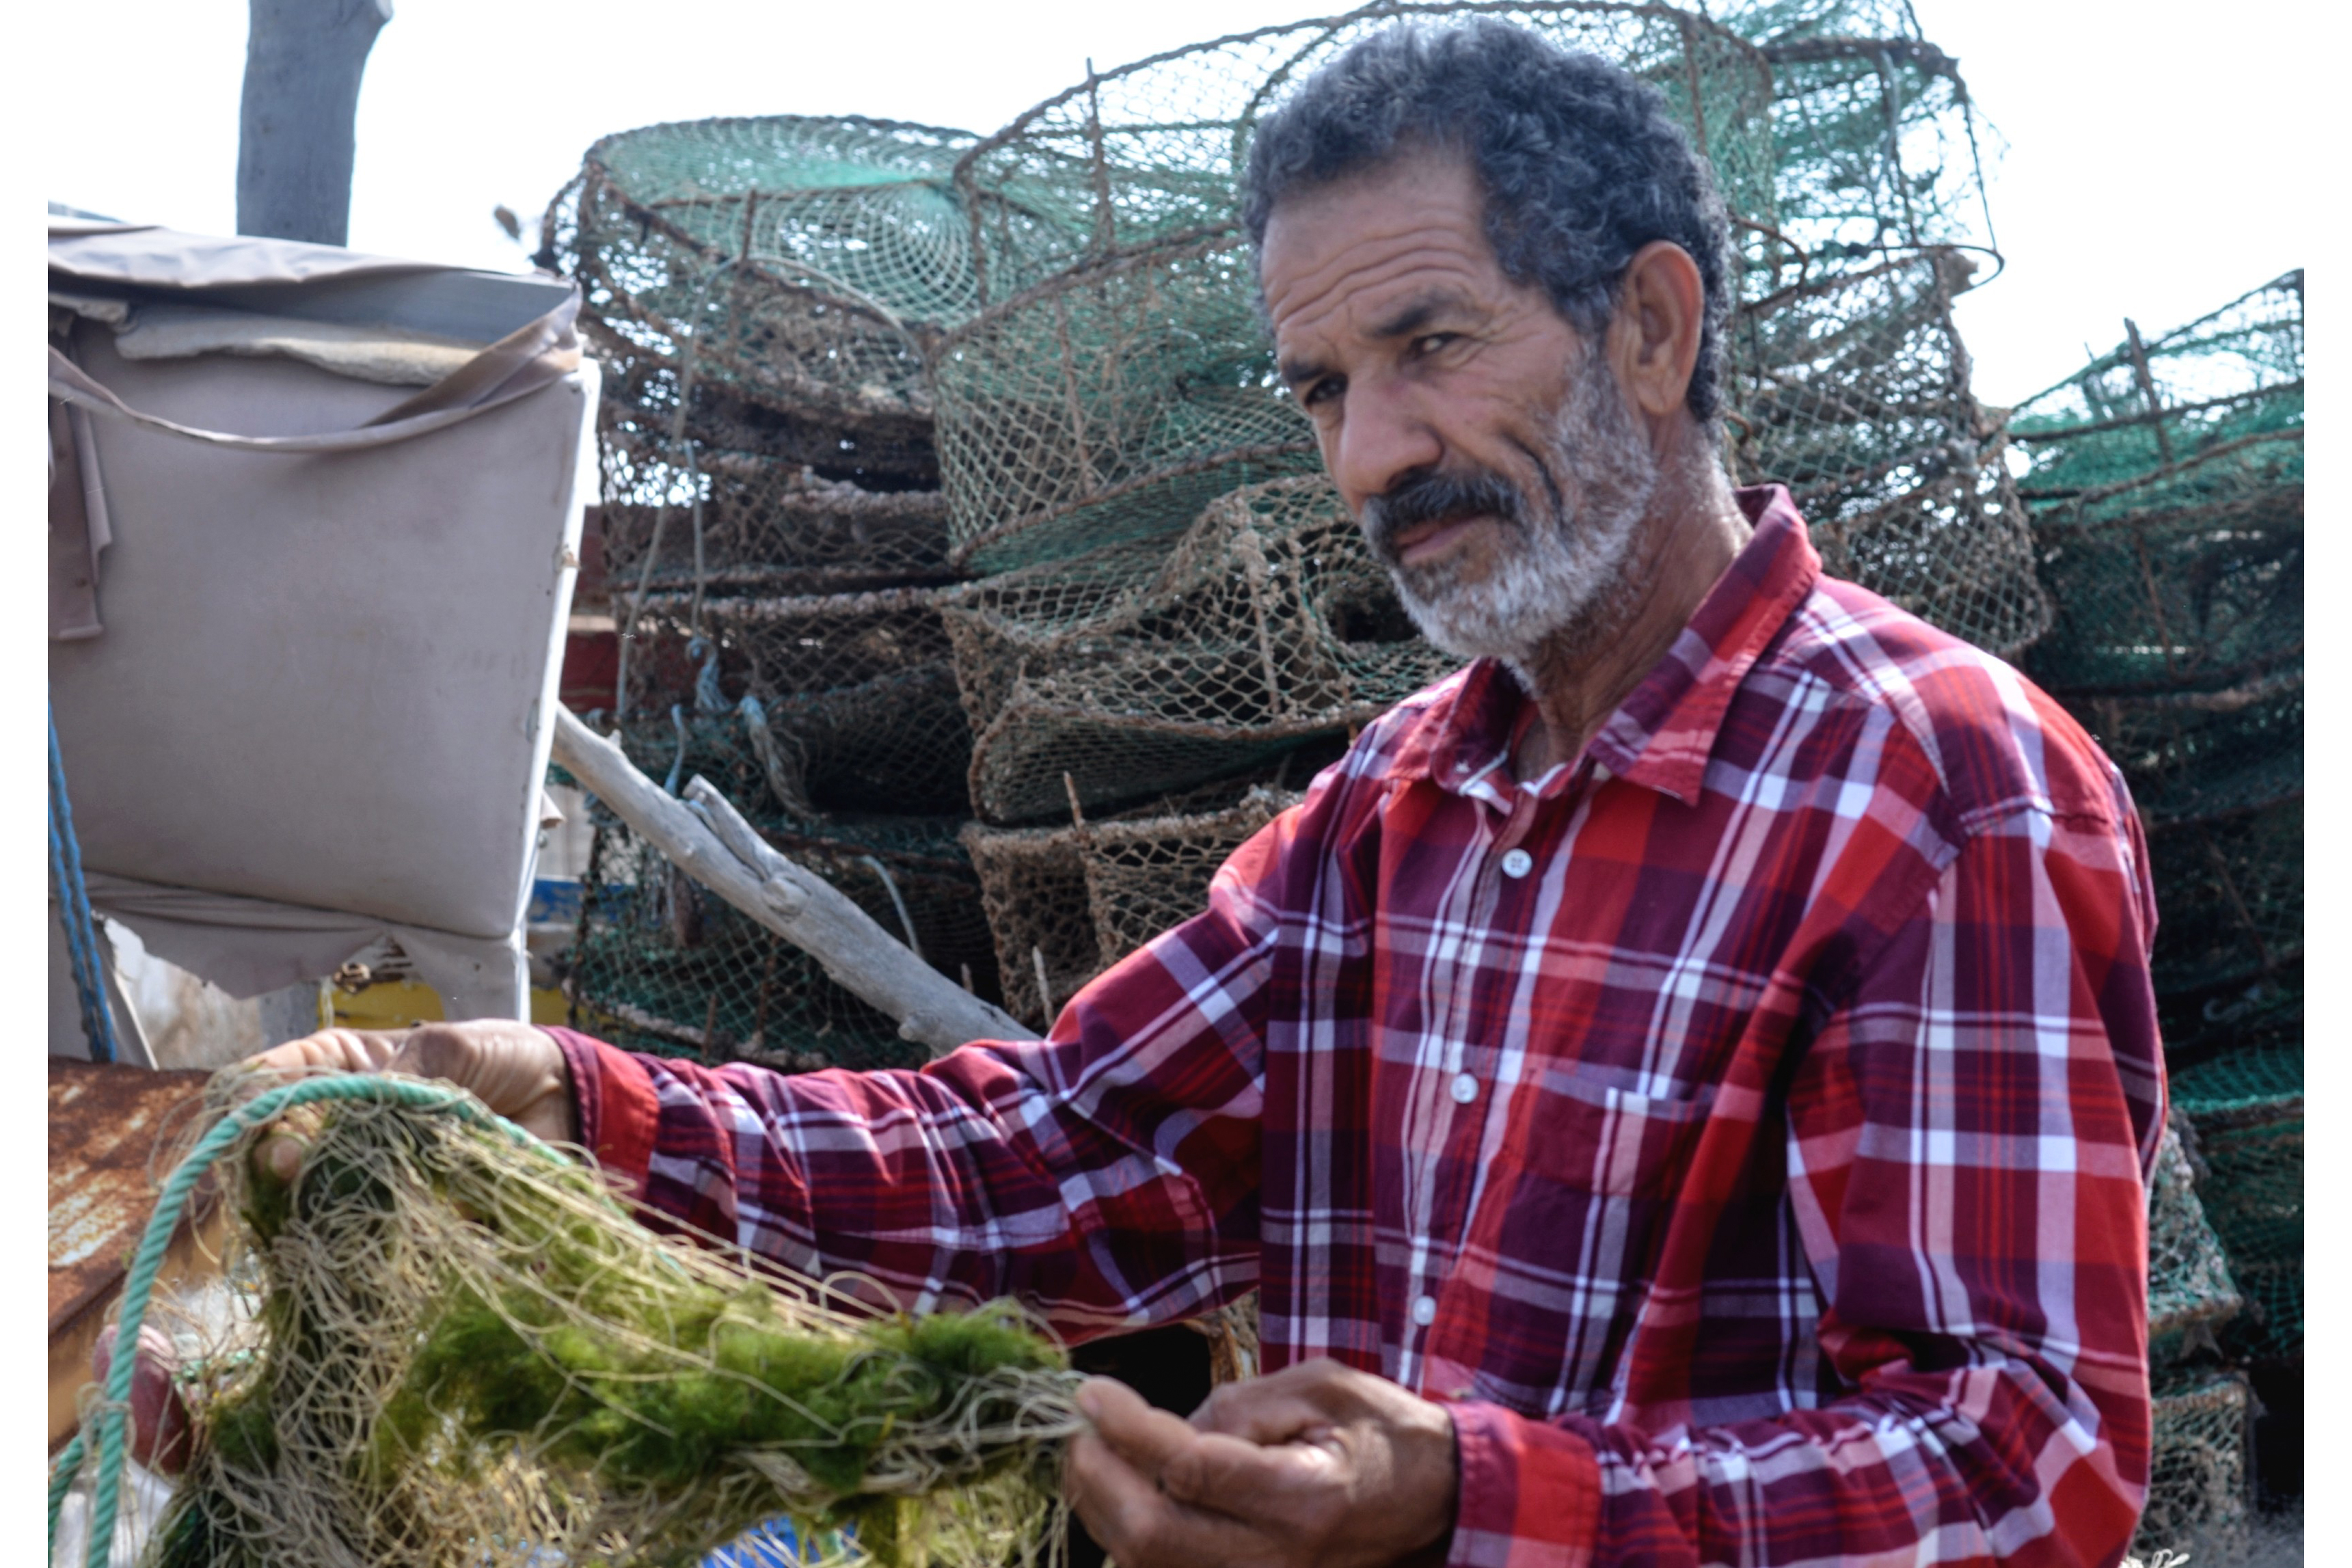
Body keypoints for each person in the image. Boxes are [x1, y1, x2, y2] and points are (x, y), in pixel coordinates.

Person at [240, 20, 2164, 1567]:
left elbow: (2023, 1464)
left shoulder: (1936, 784)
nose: (1373, 454)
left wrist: (1470, 1505)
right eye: (1320, 387)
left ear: (1649, 328)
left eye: (1429, 346)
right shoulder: (1393, 811)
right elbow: (1058, 1159)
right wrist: (556, 1097)